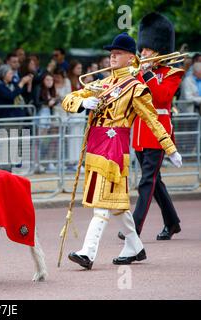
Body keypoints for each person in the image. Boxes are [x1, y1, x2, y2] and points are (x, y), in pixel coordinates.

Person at [63, 32, 182, 270]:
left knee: (101, 203)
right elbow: (68, 99)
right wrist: (82, 103)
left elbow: (152, 119)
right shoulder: (102, 83)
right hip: (96, 148)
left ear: (130, 58)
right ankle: (135, 247)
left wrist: (170, 149)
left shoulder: (136, 88)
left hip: (115, 149)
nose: (112, 57)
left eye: (117, 54)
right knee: (117, 206)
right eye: (111, 54)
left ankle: (88, 252)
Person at [120, 13, 186, 241]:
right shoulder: (137, 71)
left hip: (158, 133)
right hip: (139, 133)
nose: (143, 52)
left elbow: (161, 96)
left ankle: (133, 229)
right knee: (155, 181)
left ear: (159, 50)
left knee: (146, 181)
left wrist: (147, 73)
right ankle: (172, 222)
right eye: (143, 48)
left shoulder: (172, 73)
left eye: (148, 49)